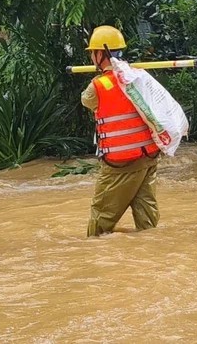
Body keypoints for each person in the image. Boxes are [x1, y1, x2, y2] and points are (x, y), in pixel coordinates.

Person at [80, 25, 160, 237]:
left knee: (100, 221)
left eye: (92, 53)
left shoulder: (99, 86)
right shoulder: (139, 77)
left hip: (120, 163)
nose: (91, 58)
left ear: (100, 54)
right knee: (147, 220)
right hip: (148, 157)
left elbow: (86, 101)